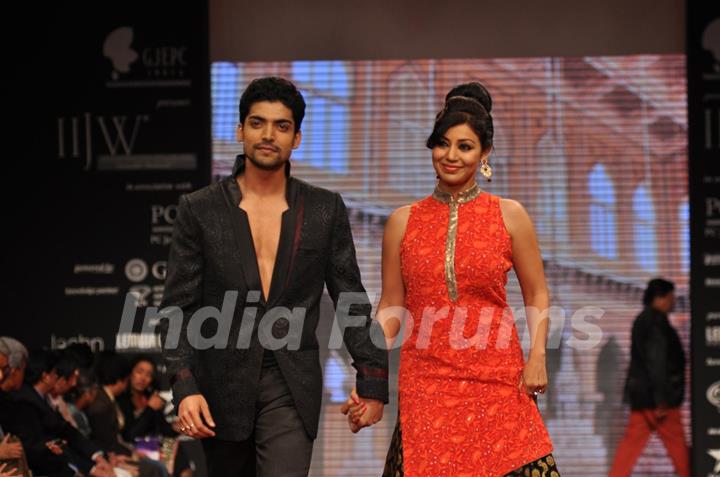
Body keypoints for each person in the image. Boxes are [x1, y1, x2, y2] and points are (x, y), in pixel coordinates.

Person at [160, 76, 388, 477]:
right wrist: (185, 386)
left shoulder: (323, 209)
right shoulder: (200, 209)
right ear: (240, 130)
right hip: (220, 387)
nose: (268, 135)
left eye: (281, 126)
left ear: (297, 138)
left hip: (290, 381)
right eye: (257, 123)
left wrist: (371, 380)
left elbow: (350, 298)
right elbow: (177, 308)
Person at [345, 82, 559, 476]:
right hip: (426, 380)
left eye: (465, 146)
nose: (451, 156)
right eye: (443, 144)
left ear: (485, 153)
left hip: (497, 379)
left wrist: (537, 358)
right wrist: (369, 375)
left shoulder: (509, 215)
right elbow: (392, 307)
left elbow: (537, 292)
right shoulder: (402, 222)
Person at [608, 278, 689, 477]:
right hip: (659, 400)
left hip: (642, 397)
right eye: (671, 298)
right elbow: (657, 361)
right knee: (678, 446)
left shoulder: (642, 319)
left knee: (630, 446)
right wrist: (662, 399)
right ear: (660, 298)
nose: (673, 302)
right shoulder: (656, 322)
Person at [116, 356, 175, 442]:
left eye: (148, 375)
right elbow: (130, 435)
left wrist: (176, 428)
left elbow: (163, 430)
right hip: (129, 452)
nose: (143, 378)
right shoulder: (121, 399)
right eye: (139, 372)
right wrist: (150, 409)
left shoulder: (151, 397)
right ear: (130, 373)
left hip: (153, 451)